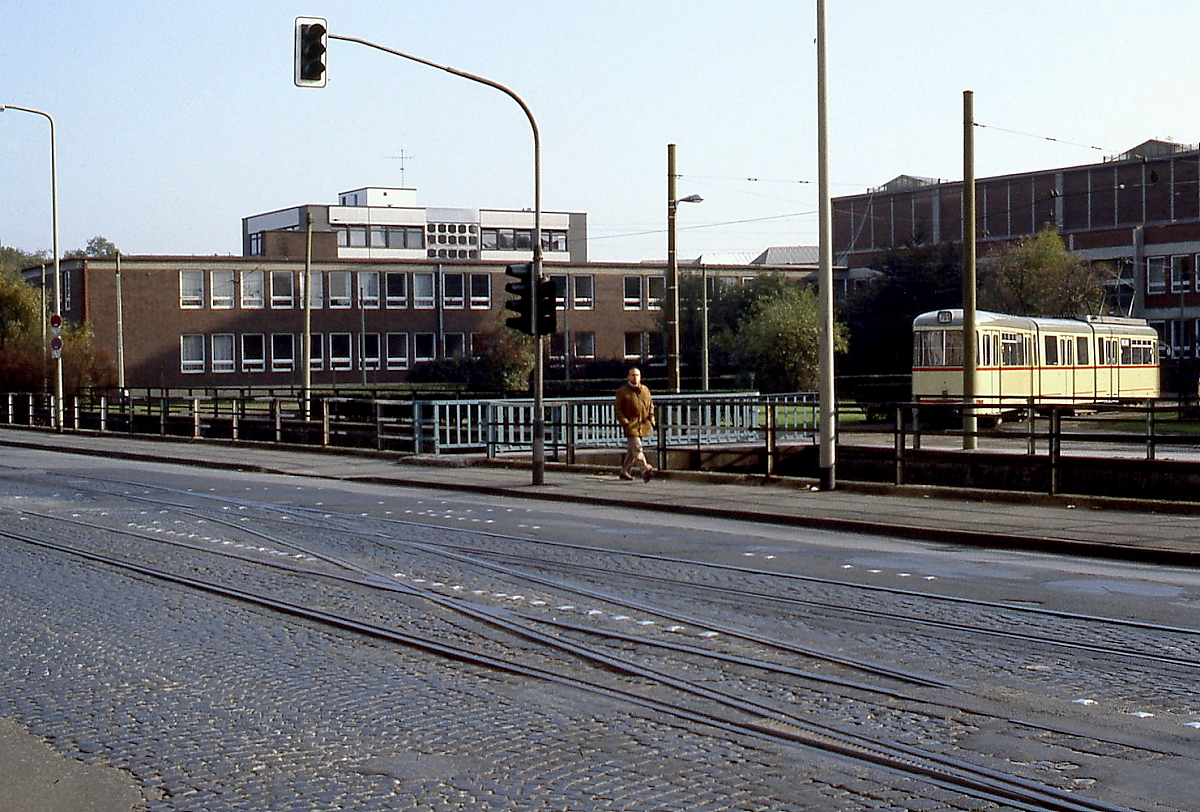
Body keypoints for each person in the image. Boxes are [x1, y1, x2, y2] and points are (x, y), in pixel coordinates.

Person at [614, 366, 655, 481]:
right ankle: (645, 469)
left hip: (643, 425)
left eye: (637, 375)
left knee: (632, 451)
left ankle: (625, 470)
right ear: (628, 377)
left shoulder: (645, 390)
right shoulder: (622, 391)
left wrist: (651, 418)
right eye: (633, 375)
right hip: (631, 426)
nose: (635, 377)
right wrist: (625, 423)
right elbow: (618, 410)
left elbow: (650, 405)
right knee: (637, 448)